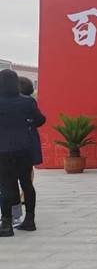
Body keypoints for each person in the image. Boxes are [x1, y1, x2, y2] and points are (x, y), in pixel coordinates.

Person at [0, 69, 46, 237]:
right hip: (24, 148)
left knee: (6, 186)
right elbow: (41, 120)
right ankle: (30, 220)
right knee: (26, 183)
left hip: (3, 150)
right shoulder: (27, 102)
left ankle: (6, 224)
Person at [12, 77, 42, 228]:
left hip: (9, 148)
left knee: (9, 182)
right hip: (27, 145)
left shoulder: (14, 101)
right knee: (27, 178)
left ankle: (12, 216)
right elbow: (40, 120)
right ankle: (28, 217)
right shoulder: (30, 102)